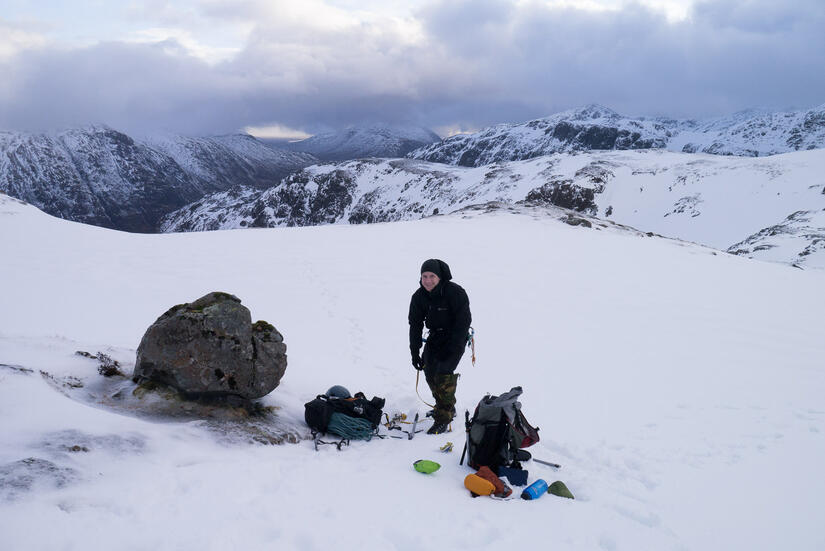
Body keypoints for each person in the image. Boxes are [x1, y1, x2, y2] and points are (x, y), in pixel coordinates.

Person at [408, 258, 472, 434]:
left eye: (432, 276)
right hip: (435, 337)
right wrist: (415, 352)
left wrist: (453, 348)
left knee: (443, 373)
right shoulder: (419, 297)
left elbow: (464, 321)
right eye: (424, 276)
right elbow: (415, 325)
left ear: (440, 276)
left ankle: (443, 418)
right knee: (429, 372)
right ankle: (446, 406)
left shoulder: (455, 292)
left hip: (455, 336)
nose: (428, 280)